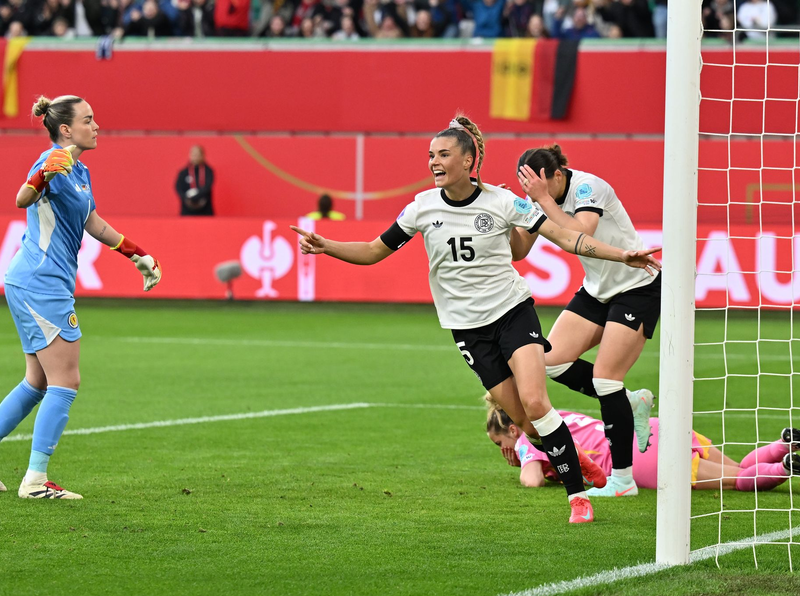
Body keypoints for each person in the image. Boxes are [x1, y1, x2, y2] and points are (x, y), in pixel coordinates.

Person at [291, 115, 661, 523]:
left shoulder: (502, 202)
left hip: (513, 313)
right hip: (467, 328)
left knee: (537, 401)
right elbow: (374, 250)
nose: (434, 161)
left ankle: (578, 497)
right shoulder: (421, 208)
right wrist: (327, 246)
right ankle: (589, 470)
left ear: (468, 161)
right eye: (430, 155)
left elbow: (567, 237)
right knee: (524, 421)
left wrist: (620, 254)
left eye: (443, 154)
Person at [0, 95, 162, 499]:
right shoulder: (52, 161)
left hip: (34, 282)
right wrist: (41, 176)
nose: (97, 125)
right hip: (43, 284)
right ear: (66, 129)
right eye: (89, 120)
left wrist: (135, 252)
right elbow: (22, 198)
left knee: (37, 381)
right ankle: (35, 481)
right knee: (66, 380)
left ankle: (34, 478)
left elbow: (91, 220)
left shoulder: (80, 170)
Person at [512, 145, 660, 499]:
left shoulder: (587, 187)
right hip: (596, 290)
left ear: (558, 175)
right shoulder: (538, 200)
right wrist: (507, 214)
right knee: (550, 360)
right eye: (527, 186)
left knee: (605, 379)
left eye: (538, 185)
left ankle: (623, 481)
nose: (533, 192)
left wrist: (542, 201)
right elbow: (519, 250)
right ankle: (631, 401)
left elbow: (583, 233)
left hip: (636, 285)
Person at [486, 398, 800, 492]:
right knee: (740, 467)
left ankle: (786, 468)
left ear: (513, 429)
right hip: (651, 428)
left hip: (640, 458)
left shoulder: (530, 437)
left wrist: (522, 459)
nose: (503, 451)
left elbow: (532, 481)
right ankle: (785, 446)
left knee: (734, 482)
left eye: (500, 443)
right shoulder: (555, 414)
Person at [175, 145, 214, 216]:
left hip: (205, 210)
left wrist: (197, 194)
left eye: (197, 154)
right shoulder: (184, 172)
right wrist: (187, 196)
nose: (195, 157)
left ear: (202, 155)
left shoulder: (208, 171)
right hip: (187, 210)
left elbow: (208, 186)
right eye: (193, 154)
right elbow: (178, 187)